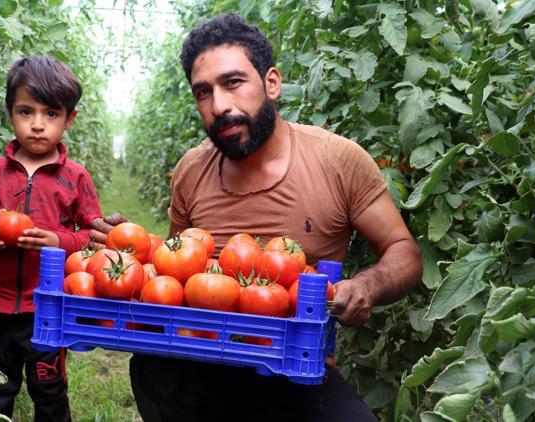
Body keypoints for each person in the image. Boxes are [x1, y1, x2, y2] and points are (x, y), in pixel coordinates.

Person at [91, 14, 422, 421]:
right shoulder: (192, 170)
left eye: (233, 83)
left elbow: (403, 251)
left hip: (294, 370)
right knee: (155, 370)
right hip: (198, 359)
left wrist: (367, 285)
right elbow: (174, 277)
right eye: (202, 93)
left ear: (271, 83)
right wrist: (128, 251)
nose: (219, 106)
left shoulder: (337, 160)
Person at [0, 55, 103, 421]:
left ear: (70, 118)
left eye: (51, 114)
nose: (37, 125)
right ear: (9, 113)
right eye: (26, 112)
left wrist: (57, 241)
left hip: (49, 308)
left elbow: (92, 237)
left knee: (49, 391)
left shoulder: (76, 178)